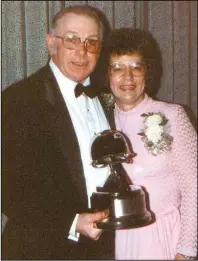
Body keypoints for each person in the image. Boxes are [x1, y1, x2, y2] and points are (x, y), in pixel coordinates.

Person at [2, 5, 115, 260]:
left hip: (101, 249)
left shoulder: (106, 97)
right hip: (42, 248)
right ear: (51, 43)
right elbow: (8, 189)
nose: (82, 51)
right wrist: (73, 222)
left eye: (91, 42)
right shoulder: (20, 99)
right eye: (72, 39)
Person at [104, 28, 197, 260]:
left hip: (163, 236)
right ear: (106, 74)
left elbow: (193, 186)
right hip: (115, 239)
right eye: (118, 67)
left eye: (136, 67)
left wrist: (186, 250)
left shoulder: (172, 116)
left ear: (148, 72)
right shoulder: (99, 118)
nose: (128, 77)